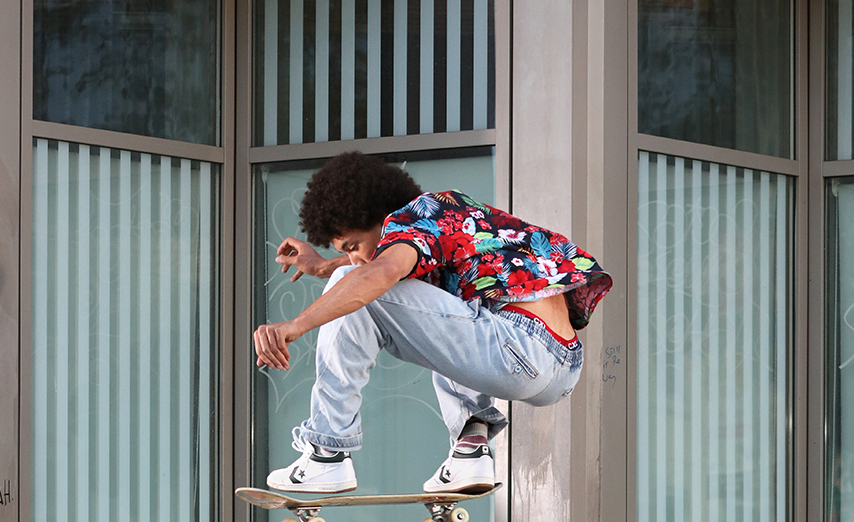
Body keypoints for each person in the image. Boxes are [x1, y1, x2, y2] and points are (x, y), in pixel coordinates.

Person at [253, 152, 610, 496]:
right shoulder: (441, 222)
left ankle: (325, 452)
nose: (354, 256)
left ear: (381, 215)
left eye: (354, 244)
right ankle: (471, 449)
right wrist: (321, 267)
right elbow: (391, 266)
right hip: (559, 367)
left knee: (359, 281)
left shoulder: (413, 216)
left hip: (518, 346)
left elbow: (383, 270)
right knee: (439, 299)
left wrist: (296, 326)